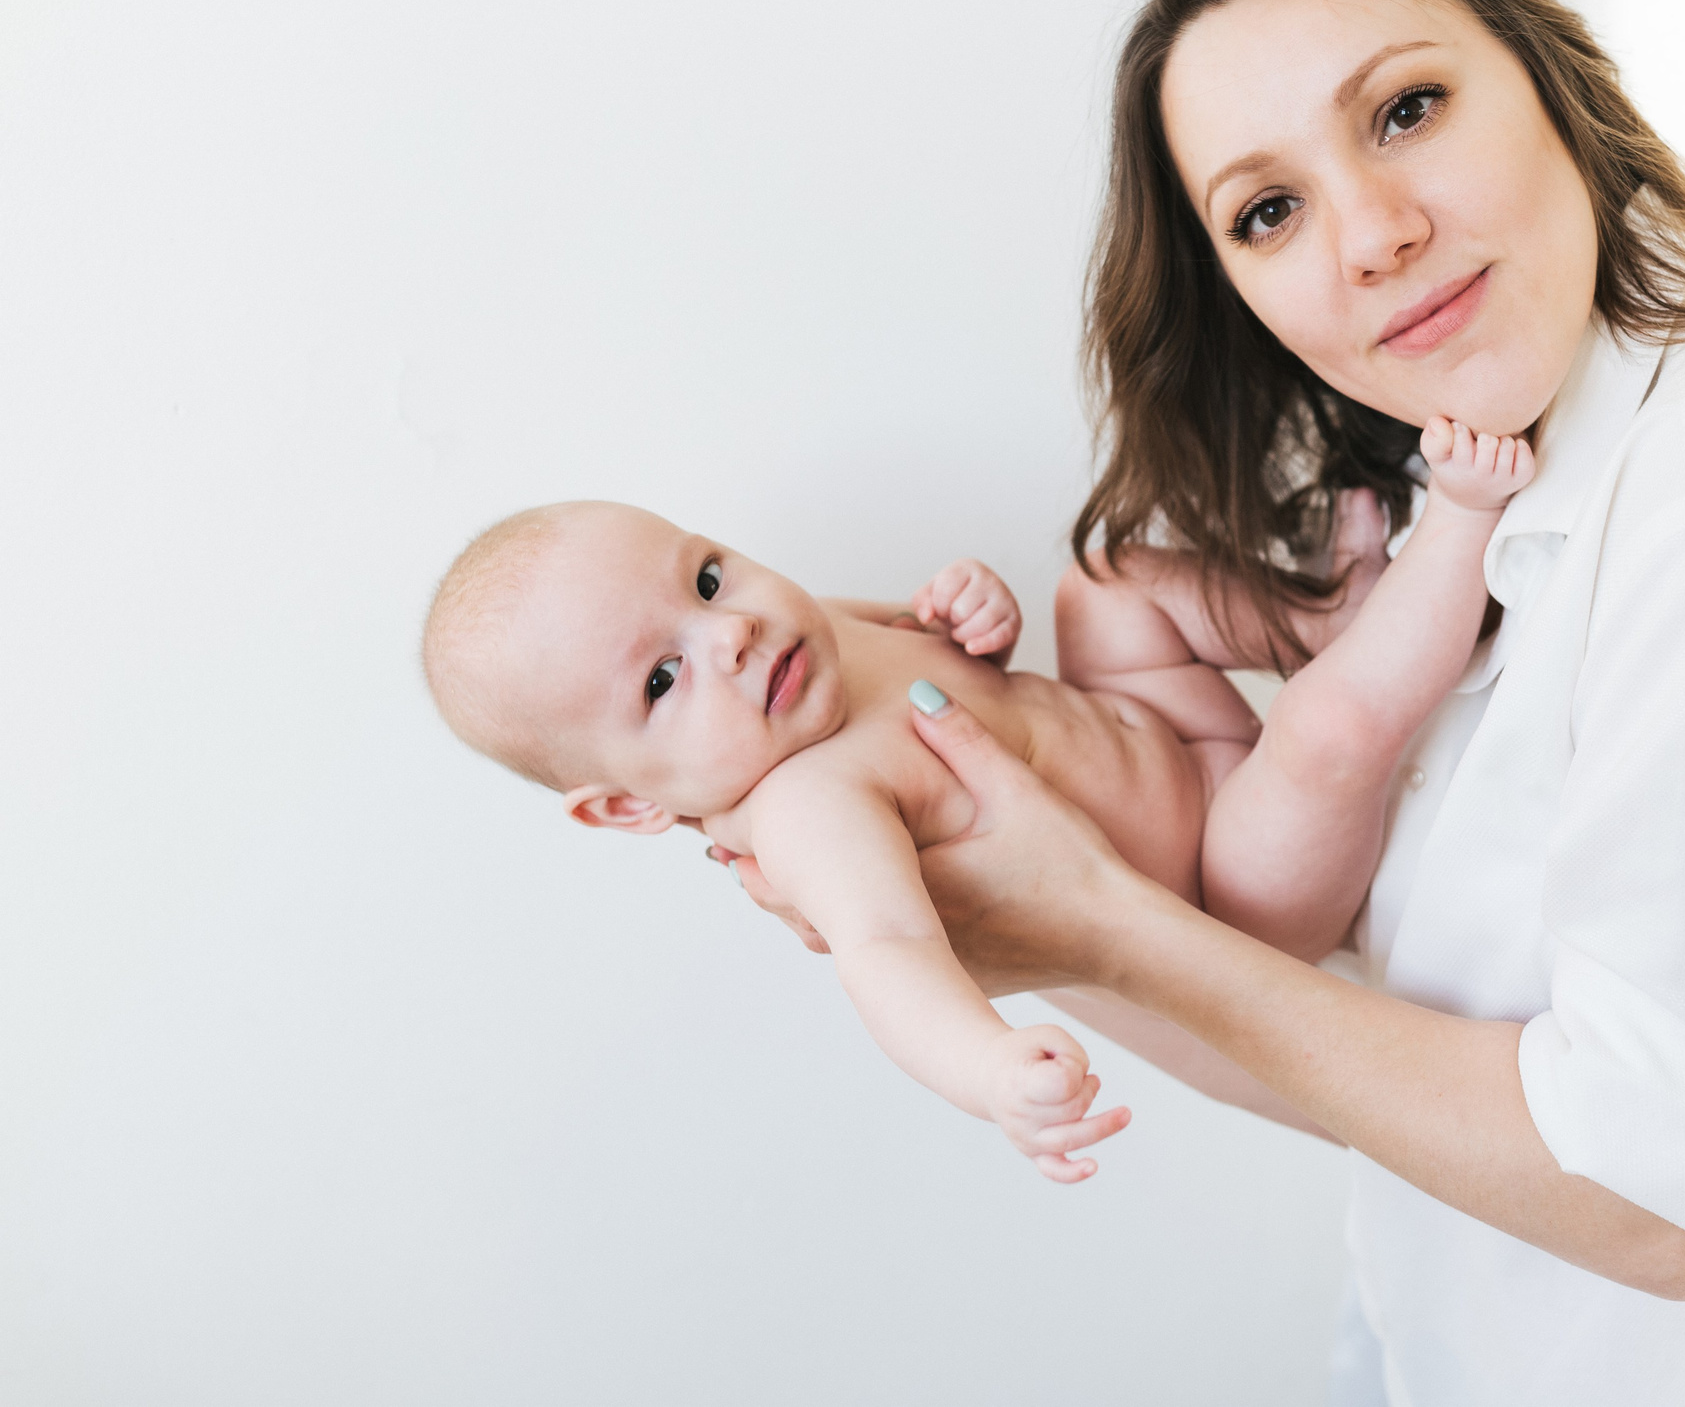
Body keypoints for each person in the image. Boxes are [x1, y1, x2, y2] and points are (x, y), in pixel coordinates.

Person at [725, 0, 1685, 1406]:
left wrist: (1106, 928)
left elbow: (1648, 1198)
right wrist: (1023, 903)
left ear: (1547, 74)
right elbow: (1396, 1067)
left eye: (1405, 110)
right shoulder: (1485, 495)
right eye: (1269, 211)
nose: (1373, 235)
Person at [418, 418, 1532, 1178]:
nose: (733, 631)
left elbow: (941, 643)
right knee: (1325, 733)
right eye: (662, 681)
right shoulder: (810, 808)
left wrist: (967, 608)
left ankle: (1334, 604)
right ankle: (1464, 537)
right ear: (625, 807)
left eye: (707, 576)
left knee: (1105, 584)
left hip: (1162, 734)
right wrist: (989, 1068)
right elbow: (889, 950)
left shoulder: (789, 649)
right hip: (1230, 880)